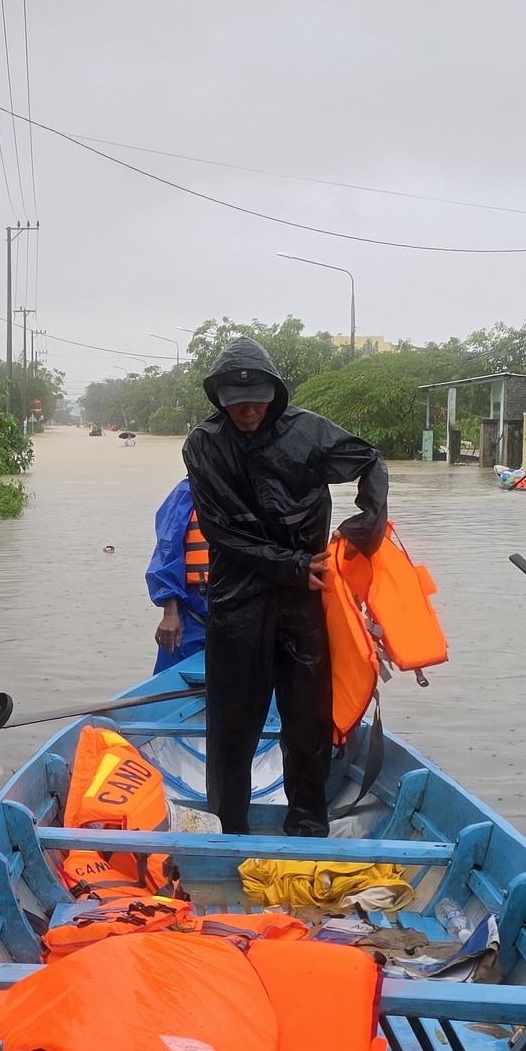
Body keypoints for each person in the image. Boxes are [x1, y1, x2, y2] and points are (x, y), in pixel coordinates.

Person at [181, 335, 387, 837]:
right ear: (219, 399)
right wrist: (293, 564)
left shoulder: (308, 432)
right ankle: (228, 829)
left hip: (304, 599)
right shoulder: (203, 445)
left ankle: (309, 825)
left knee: (307, 721)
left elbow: (370, 461)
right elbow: (221, 532)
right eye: (235, 402)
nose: (247, 411)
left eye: (256, 400)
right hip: (238, 598)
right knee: (232, 725)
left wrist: (363, 527)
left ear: (275, 393)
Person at [147, 477, 209, 672]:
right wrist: (170, 613)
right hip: (194, 611)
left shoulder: (253, 488)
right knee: (173, 675)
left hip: (243, 610)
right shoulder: (188, 491)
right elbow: (168, 550)